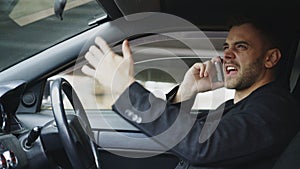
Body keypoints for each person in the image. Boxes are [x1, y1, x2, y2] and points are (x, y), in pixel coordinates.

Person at [81, 15, 300, 169]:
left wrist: (125, 90)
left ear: (270, 58)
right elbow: (183, 136)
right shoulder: (240, 106)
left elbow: (202, 145)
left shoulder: (275, 109)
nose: (227, 55)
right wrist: (186, 92)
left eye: (241, 47)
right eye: (226, 47)